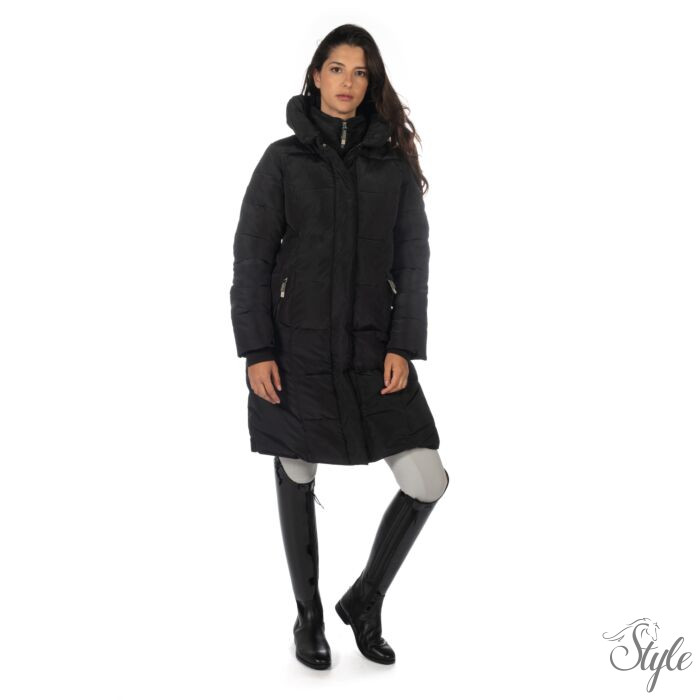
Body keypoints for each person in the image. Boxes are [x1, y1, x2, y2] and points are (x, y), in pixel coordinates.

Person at [230, 24, 449, 670]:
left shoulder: (392, 167)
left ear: (370, 82)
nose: (347, 82)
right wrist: (256, 350)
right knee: (296, 470)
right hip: (294, 352)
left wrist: (403, 344)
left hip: (373, 352)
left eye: (360, 72)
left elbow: (413, 263)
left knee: (426, 479)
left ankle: (366, 599)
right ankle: (308, 615)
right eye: (336, 69)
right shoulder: (282, 161)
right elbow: (250, 261)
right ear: (315, 76)